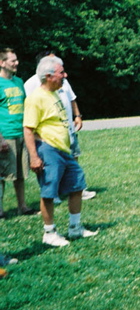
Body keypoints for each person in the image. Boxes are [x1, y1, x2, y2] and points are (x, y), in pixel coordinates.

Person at [23, 56, 98, 247]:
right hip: (48, 150)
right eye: (61, 72)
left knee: (77, 186)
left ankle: (75, 228)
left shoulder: (55, 93)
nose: (65, 75)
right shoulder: (35, 98)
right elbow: (28, 129)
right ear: (48, 76)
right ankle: (49, 233)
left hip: (65, 150)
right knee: (49, 192)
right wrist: (34, 156)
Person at [0, 49, 37, 218]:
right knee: (2, 174)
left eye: (16, 60)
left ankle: (22, 206)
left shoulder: (19, 82)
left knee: (20, 173)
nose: (16, 63)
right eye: (12, 61)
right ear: (2, 63)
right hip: (5, 134)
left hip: (21, 133)